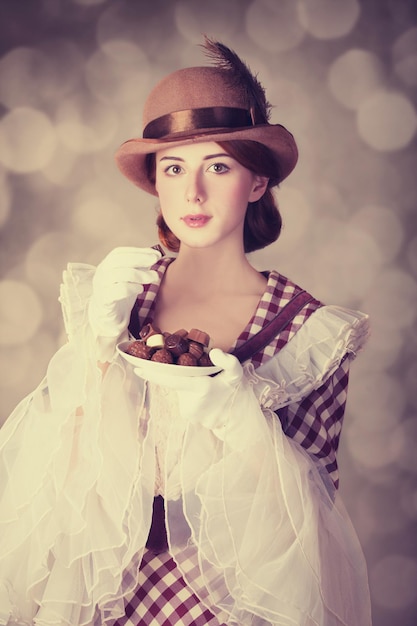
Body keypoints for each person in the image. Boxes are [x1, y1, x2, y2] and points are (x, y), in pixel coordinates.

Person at [0, 38, 372, 626]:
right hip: (102, 589)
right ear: (156, 183)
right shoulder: (123, 296)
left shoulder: (306, 329)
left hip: (228, 602)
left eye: (217, 166)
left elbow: (314, 523)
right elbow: (55, 471)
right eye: (174, 168)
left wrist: (237, 418)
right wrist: (94, 350)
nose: (192, 192)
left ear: (256, 183)